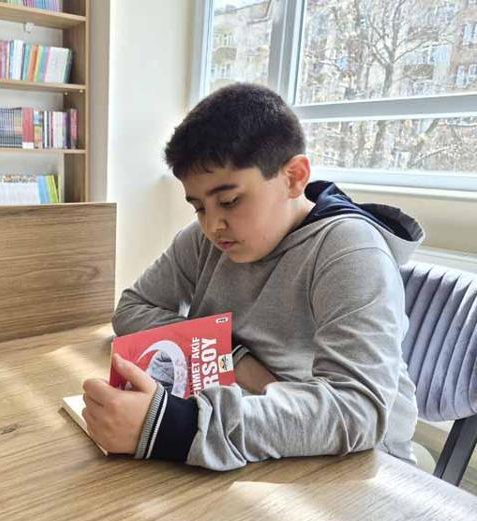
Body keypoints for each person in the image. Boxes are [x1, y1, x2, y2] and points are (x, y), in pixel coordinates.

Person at [81, 83, 424, 470]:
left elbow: (358, 411)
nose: (213, 225)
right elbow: (132, 308)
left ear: (294, 177)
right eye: (198, 207)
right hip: (249, 429)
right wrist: (231, 356)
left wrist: (174, 427)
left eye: (229, 201)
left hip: (360, 463)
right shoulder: (205, 238)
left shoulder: (351, 251)